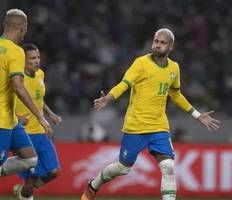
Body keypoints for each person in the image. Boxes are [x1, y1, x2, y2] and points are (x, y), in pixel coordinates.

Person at [81, 28, 220, 200]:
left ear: (171, 46)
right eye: (156, 41)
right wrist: (108, 98)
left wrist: (198, 115)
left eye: (162, 42)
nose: (157, 45)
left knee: (168, 166)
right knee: (123, 168)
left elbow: (175, 94)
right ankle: (94, 184)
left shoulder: (174, 68)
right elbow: (124, 84)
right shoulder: (141, 63)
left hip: (158, 126)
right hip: (136, 126)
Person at [0, 9, 52, 200]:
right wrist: (40, 117)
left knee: (30, 158)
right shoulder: (16, 51)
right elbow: (19, 87)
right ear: (22, 28)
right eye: (26, 28)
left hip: (8, 119)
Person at [13, 43, 62, 200]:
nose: (37, 61)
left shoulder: (40, 74)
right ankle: (25, 191)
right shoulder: (17, 79)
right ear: (23, 60)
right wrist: (16, 118)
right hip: (24, 135)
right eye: (32, 58)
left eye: (38, 57)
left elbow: (39, 99)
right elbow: (6, 103)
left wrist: (50, 114)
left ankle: (23, 190)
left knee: (54, 172)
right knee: (31, 179)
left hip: (41, 133)